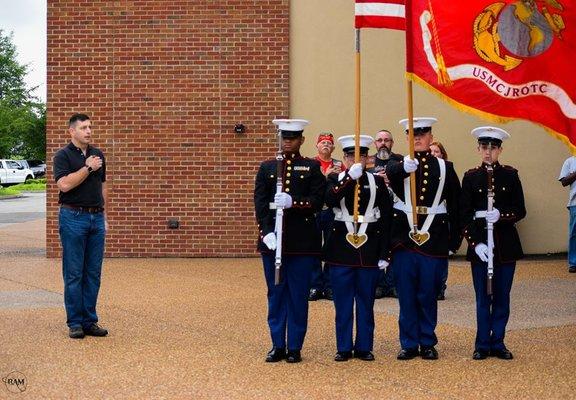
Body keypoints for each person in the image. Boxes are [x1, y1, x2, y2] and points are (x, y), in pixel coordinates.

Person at [386, 117, 461, 360]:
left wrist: (454, 242)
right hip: (403, 241)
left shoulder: (445, 167)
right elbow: (390, 175)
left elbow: (457, 206)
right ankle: (408, 342)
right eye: (412, 133)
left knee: (428, 294)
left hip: (433, 239)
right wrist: (402, 169)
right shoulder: (398, 165)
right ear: (407, 137)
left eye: (422, 133)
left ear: (430, 136)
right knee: (406, 294)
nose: (417, 137)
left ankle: (427, 340)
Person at [254, 119, 325, 363]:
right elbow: (260, 204)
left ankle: (294, 346)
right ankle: (278, 344)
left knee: (297, 295)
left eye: (293, 138)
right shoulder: (267, 167)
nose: (287, 141)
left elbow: (318, 200)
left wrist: (294, 201)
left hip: (301, 243)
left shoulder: (311, 167)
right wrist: (266, 232)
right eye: (284, 137)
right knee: (276, 293)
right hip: (274, 242)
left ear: (301, 140)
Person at [323, 134, 392, 362]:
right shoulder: (335, 179)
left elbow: (386, 219)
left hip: (369, 250)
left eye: (361, 155)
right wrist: (348, 180)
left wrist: (384, 253)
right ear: (344, 157)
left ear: (367, 158)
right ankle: (343, 346)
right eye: (351, 155)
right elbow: (330, 200)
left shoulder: (378, 182)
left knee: (366, 302)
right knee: (342, 303)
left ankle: (364, 346)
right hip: (341, 250)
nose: (356, 160)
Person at [461, 126, 526, 360]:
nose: (488, 152)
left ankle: (497, 341)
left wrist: (502, 215)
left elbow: (520, 210)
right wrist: (476, 243)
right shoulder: (470, 177)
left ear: (500, 150)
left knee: (501, 297)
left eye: (493, 147)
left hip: (505, 245)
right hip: (481, 247)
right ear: (478, 149)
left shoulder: (510, 175)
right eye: (484, 147)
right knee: (482, 297)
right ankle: (482, 343)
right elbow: (464, 214)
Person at [53, 113, 109, 339]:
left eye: (90, 127)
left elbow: (103, 186)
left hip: (96, 218)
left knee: (93, 273)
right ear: (72, 131)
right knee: (74, 272)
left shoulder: (98, 154)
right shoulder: (62, 156)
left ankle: (89, 321)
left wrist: (104, 215)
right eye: (84, 127)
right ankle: (75, 322)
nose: (88, 131)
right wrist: (87, 168)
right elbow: (64, 185)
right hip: (73, 218)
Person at [367, 129, 403, 299]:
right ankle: (379, 284)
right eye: (379, 140)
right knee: (376, 247)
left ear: (392, 143)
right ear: (375, 144)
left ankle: (393, 283)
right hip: (375, 212)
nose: (383, 143)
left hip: (397, 211)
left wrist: (392, 179)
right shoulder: (368, 163)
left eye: (387, 140)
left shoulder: (400, 161)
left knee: (395, 246)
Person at [309, 132, 342, 301]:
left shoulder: (339, 165)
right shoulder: (311, 164)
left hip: (331, 211)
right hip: (314, 211)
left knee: (331, 247)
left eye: (329, 143)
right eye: (322, 142)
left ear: (333, 147)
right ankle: (315, 285)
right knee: (313, 247)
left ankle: (329, 285)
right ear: (317, 146)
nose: (326, 145)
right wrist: (326, 175)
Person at [429, 140, 449, 300]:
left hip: (442, 217)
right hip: (428, 219)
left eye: (437, 151)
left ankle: (441, 285)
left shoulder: (447, 169)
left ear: (442, 154)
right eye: (431, 151)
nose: (434, 154)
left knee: (441, 255)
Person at [558, 155, 576, 273]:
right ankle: (574, 262)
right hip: (575, 203)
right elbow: (564, 181)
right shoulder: (570, 161)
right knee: (574, 233)